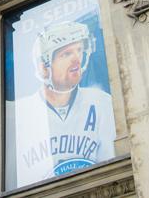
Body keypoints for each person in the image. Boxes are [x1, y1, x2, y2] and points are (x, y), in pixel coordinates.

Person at [13, 21, 115, 187]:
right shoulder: (20, 114)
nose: (77, 58)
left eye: (79, 50)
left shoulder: (101, 103)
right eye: (66, 53)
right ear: (44, 67)